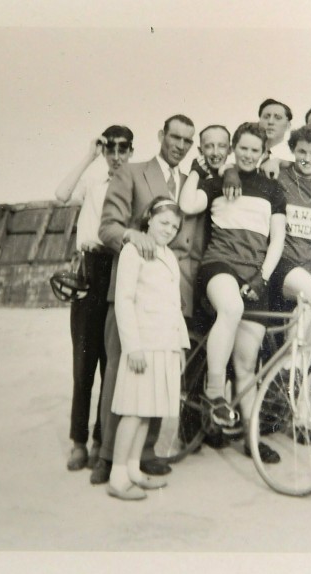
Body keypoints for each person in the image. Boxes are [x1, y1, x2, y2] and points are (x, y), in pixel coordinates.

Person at [91, 114, 199, 485]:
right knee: (124, 374)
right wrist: (135, 237)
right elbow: (107, 226)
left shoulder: (190, 184)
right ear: (161, 136)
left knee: (158, 382)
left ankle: (144, 454)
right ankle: (108, 456)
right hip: (135, 293)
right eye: (175, 137)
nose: (180, 145)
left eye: (188, 140)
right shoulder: (132, 172)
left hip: (172, 293)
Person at [179, 122, 287, 463]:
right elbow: (188, 204)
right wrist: (199, 172)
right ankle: (214, 392)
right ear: (233, 148)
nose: (249, 154)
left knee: (246, 366)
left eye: (255, 150)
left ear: (264, 152)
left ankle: (252, 440)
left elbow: (278, 239)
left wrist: (263, 278)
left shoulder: (274, 190)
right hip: (219, 266)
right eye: (243, 148)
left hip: (254, 275)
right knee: (230, 309)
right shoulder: (217, 182)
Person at [53, 124, 133, 472]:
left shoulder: (133, 186)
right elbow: (60, 193)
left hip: (118, 269)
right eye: (109, 148)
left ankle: (103, 439)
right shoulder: (93, 180)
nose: (116, 155)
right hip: (89, 269)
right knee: (83, 362)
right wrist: (89, 154)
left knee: (110, 362)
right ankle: (78, 441)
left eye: (122, 148)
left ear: (131, 150)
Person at [106, 198, 190, 501]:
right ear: (149, 220)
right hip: (143, 343)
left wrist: (180, 346)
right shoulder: (133, 251)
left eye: (175, 226)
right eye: (164, 223)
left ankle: (133, 469)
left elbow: (173, 305)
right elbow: (124, 301)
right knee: (133, 411)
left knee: (148, 412)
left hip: (164, 344)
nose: (169, 230)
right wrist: (133, 348)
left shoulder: (168, 255)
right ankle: (117, 477)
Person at [271, 125, 311, 321]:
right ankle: (293, 353)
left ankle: (298, 352)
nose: (307, 158)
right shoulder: (278, 178)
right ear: (293, 151)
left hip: (310, 269)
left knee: (310, 329)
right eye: (302, 151)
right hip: (281, 263)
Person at [257, 98, 295, 179]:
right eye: (266, 117)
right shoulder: (249, 150)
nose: (270, 122)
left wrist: (280, 161)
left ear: (288, 125)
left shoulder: (294, 152)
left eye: (277, 118)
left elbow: (304, 163)